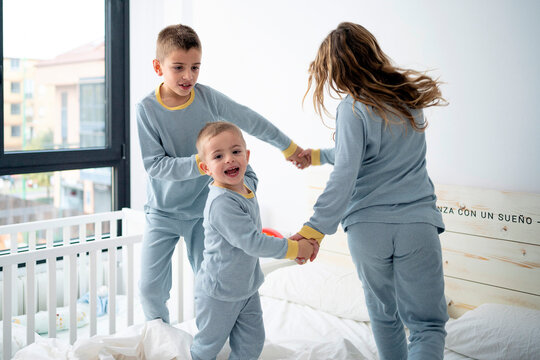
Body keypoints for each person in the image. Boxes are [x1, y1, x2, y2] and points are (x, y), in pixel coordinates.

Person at [291, 22, 449, 359]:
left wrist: (313, 229)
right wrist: (318, 156)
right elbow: (366, 153)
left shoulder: (352, 107)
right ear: (372, 52)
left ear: (336, 71)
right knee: (427, 326)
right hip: (416, 225)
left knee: (384, 316)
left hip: (367, 229)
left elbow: (348, 169)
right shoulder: (408, 99)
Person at [136, 24, 309, 324]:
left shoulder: (207, 98)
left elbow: (249, 120)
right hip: (162, 213)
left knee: (209, 286)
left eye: (195, 67)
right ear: (158, 67)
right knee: (150, 289)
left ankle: (207, 344)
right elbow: (155, 165)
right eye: (178, 67)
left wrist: (288, 147)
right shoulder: (147, 109)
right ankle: (160, 340)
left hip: (204, 212)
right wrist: (201, 162)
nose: (188, 76)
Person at [191, 121, 316, 360]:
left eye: (236, 152)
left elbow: (250, 172)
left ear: (247, 156)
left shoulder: (246, 184)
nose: (229, 159)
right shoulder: (221, 203)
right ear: (205, 167)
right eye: (219, 156)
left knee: (252, 342)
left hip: (247, 288)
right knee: (208, 346)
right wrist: (295, 247)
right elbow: (254, 243)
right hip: (218, 293)